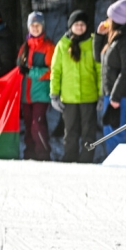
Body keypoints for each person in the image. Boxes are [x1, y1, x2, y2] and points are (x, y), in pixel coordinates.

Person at [50, 10, 102, 163]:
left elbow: (99, 70)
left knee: (89, 131)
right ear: (70, 26)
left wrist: (101, 94)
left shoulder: (93, 42)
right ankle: (70, 157)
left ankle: (87, 158)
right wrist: (54, 93)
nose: (79, 27)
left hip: (89, 95)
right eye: (76, 24)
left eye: (82, 24)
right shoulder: (62, 45)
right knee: (70, 131)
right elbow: (56, 70)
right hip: (69, 97)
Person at [94, 0, 126, 155]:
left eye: (109, 17)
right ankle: (113, 163)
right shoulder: (114, 37)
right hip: (111, 92)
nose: (106, 20)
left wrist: (115, 97)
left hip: (121, 94)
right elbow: (97, 58)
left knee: (116, 131)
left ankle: (119, 167)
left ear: (115, 20)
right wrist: (100, 36)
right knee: (109, 130)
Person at [17, 12, 56, 161]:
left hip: (41, 93)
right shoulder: (24, 47)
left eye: (38, 25)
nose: (35, 28)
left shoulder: (48, 46)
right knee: (28, 124)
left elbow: (52, 70)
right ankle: (29, 153)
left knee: (37, 123)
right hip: (26, 94)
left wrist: (30, 72)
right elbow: (18, 67)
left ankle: (43, 154)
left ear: (43, 26)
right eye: (32, 25)